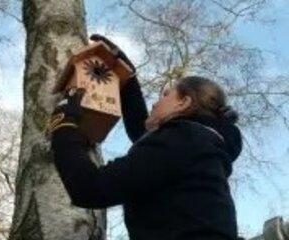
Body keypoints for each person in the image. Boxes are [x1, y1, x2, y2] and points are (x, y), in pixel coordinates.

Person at [46, 34, 243, 240]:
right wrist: (127, 79)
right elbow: (144, 139)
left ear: (183, 103)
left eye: (166, 95)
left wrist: (64, 128)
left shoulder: (184, 139)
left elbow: (90, 187)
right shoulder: (199, 145)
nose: (156, 103)